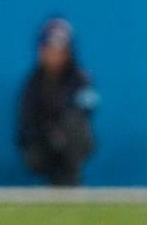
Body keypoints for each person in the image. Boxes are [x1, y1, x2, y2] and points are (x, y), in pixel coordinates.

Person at [16, 17, 98, 186]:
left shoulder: (81, 79)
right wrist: (47, 134)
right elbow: (26, 122)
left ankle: (70, 177)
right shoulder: (32, 83)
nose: (54, 57)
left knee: (72, 123)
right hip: (43, 143)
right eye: (49, 50)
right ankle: (57, 179)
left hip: (72, 141)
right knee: (37, 153)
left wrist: (61, 132)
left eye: (59, 52)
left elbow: (84, 112)